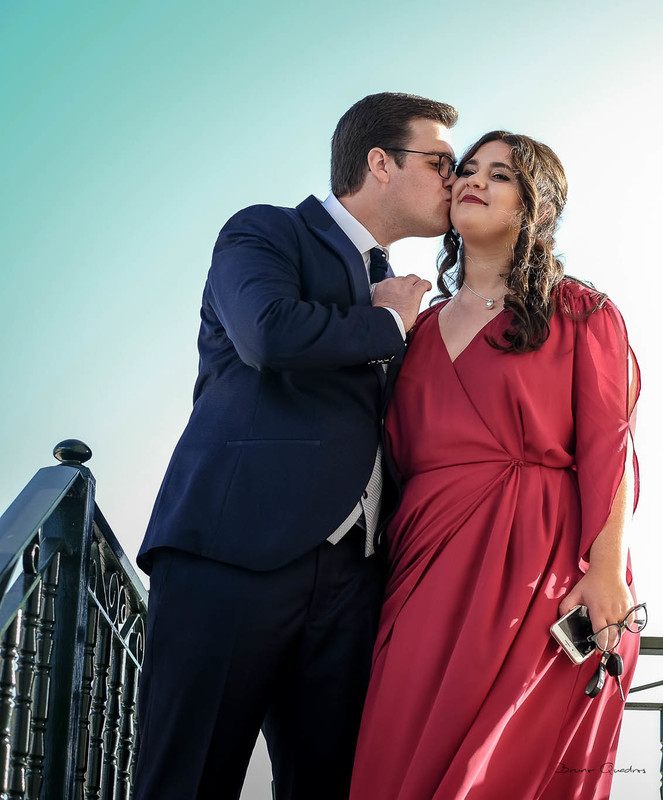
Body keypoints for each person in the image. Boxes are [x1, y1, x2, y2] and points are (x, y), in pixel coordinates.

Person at [133, 92, 456, 800]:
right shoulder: (265, 232)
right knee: (187, 782)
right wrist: (386, 325)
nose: (454, 178)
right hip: (230, 556)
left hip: (355, 583)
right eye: (440, 161)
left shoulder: (406, 297)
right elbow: (268, 332)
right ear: (381, 163)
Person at [349, 131, 642, 799]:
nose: (474, 181)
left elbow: (611, 446)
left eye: (501, 175)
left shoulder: (583, 313)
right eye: (468, 169)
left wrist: (605, 572)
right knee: (399, 758)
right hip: (423, 566)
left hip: (541, 569)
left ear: (535, 206)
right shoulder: (413, 331)